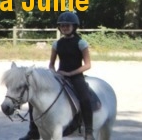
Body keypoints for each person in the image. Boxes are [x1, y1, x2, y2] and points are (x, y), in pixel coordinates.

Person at [19, 11, 95, 140]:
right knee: (34, 98)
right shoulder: (57, 44)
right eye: (62, 26)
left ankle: (88, 131)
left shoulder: (81, 43)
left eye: (67, 25)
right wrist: (53, 73)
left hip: (76, 76)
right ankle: (33, 132)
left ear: (74, 26)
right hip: (59, 75)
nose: (65, 28)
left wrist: (71, 73)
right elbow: (51, 64)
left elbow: (87, 65)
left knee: (85, 98)